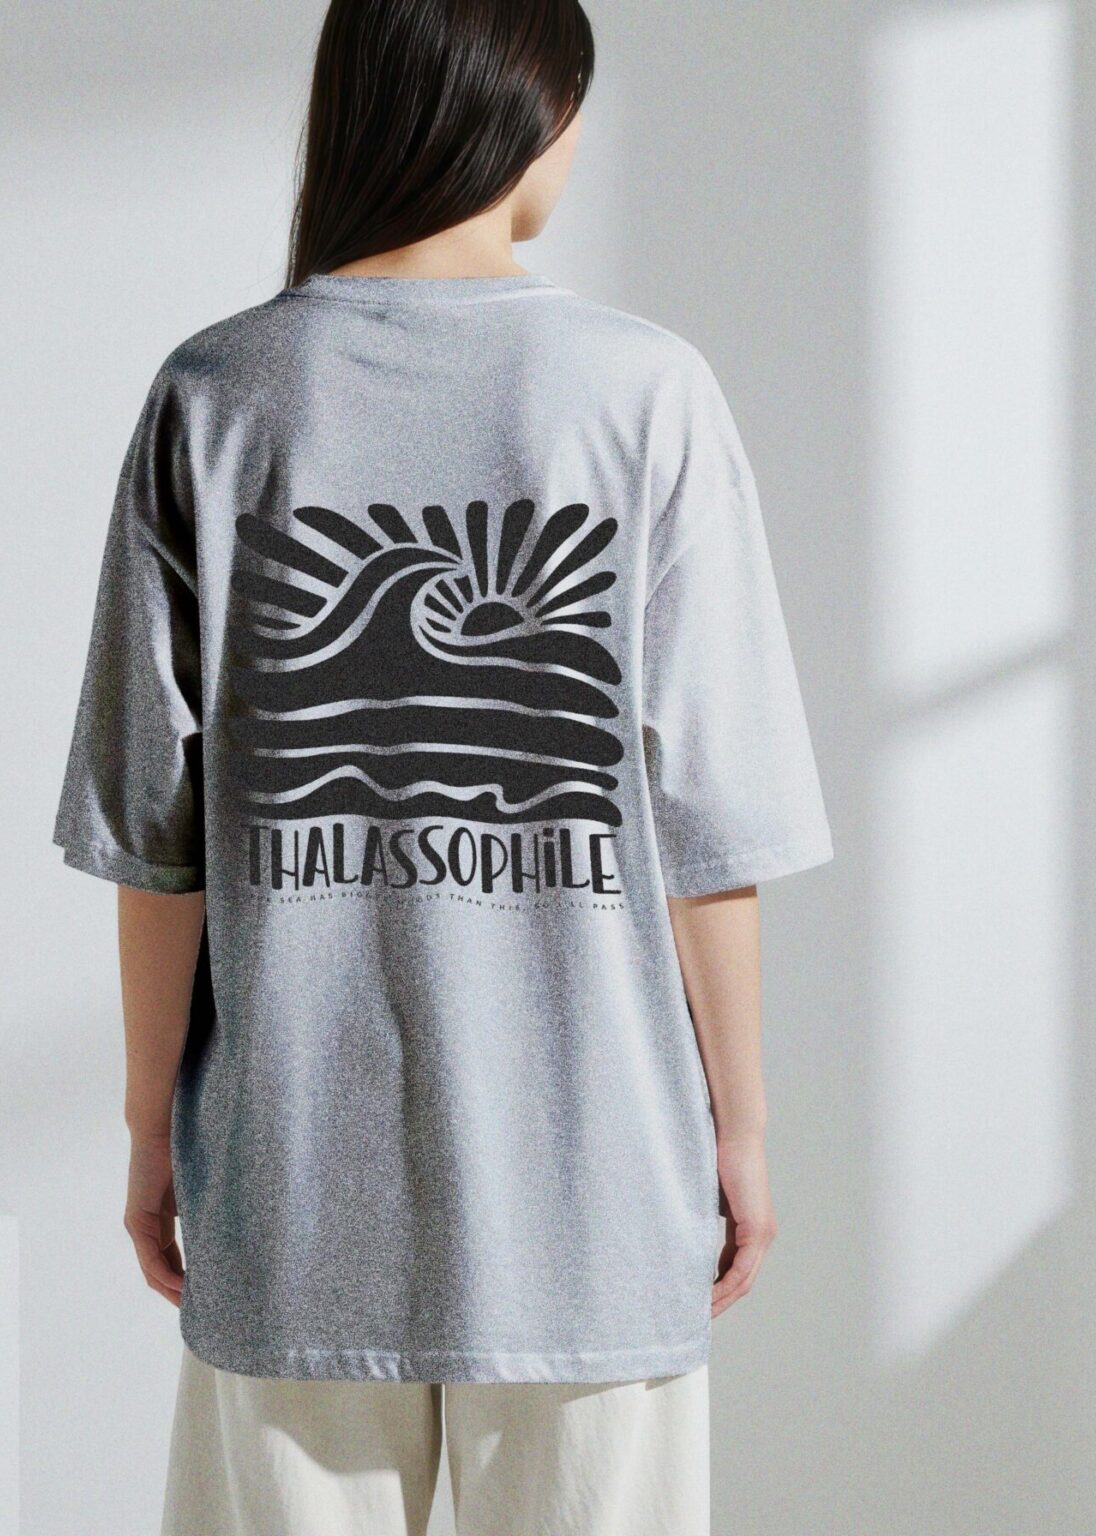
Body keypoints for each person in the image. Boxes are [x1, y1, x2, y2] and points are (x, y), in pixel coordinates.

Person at [52, 1, 833, 1530]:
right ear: (533, 111)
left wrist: (154, 1129)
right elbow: (709, 824)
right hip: (597, 1190)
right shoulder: (643, 390)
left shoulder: (219, 390)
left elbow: (159, 836)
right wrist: (737, 1130)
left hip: (291, 1185)